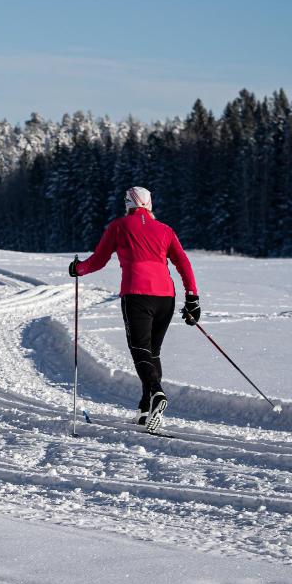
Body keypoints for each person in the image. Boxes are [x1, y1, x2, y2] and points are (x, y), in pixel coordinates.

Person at [69, 186, 200, 433]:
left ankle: (157, 393)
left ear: (128, 204)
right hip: (166, 297)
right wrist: (192, 297)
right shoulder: (165, 229)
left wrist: (79, 269)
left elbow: (98, 260)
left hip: (137, 294)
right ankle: (144, 411)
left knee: (140, 350)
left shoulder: (119, 226)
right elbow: (183, 262)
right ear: (149, 204)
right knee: (152, 352)